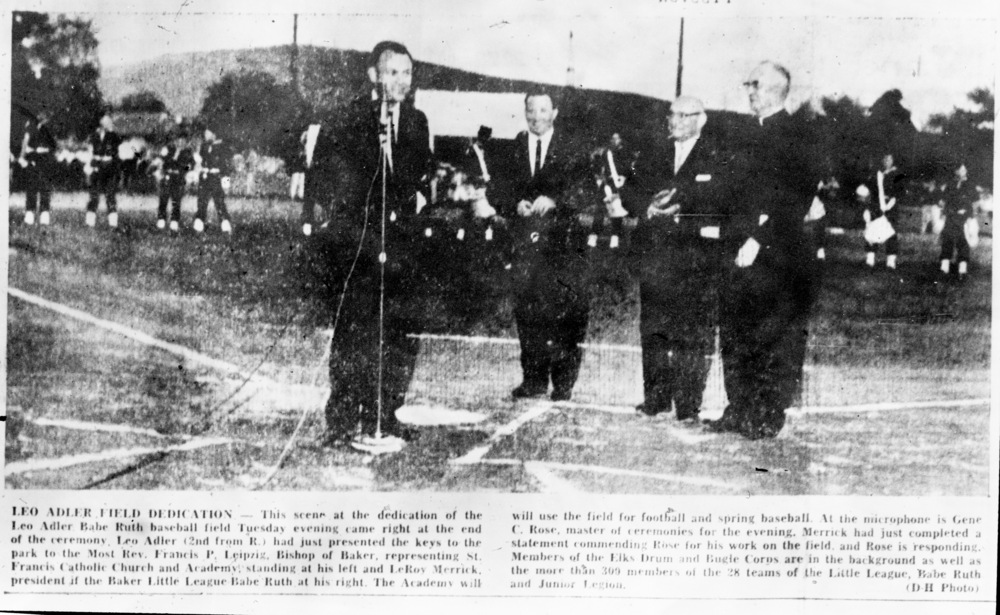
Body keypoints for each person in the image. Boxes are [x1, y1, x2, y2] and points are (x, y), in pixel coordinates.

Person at [322, 40, 434, 445]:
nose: (400, 81)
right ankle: (342, 417)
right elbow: (334, 177)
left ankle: (385, 412)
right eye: (392, 73)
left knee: (398, 330)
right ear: (374, 76)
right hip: (360, 244)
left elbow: (421, 177)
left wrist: (414, 191)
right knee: (355, 330)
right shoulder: (351, 119)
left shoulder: (418, 121)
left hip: (401, 243)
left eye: (406, 73)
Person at [706, 61, 819, 440]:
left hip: (778, 256)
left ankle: (768, 414)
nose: (749, 90)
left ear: (775, 89)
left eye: (755, 84)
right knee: (737, 331)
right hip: (736, 251)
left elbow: (795, 200)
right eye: (748, 83)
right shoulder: (741, 134)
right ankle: (739, 407)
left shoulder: (799, 136)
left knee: (774, 335)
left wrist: (758, 239)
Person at [624, 96, 732, 423]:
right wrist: (648, 207)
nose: (675, 121)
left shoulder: (717, 156)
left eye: (684, 116)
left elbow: (723, 201)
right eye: (672, 115)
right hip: (655, 255)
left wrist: (681, 211)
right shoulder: (652, 152)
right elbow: (629, 191)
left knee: (693, 331)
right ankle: (655, 398)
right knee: (654, 327)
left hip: (695, 257)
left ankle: (687, 403)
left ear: (702, 119)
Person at [493, 89, 590, 402]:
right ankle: (533, 379)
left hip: (562, 245)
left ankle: (562, 384)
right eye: (531, 110)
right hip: (525, 246)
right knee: (529, 312)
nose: (536, 117)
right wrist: (514, 204)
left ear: (555, 113)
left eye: (543, 110)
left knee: (564, 314)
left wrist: (556, 201)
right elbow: (497, 190)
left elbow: (584, 191)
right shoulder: (513, 148)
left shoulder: (573, 149)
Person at [862, 153, 905, 269]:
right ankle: (870, 259)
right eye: (885, 159)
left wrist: (889, 204)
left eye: (889, 159)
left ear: (893, 160)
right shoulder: (878, 174)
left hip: (891, 206)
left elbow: (900, 192)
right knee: (873, 228)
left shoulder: (898, 174)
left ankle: (891, 261)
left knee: (891, 233)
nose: (887, 161)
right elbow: (870, 191)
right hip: (876, 206)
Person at [589, 132, 630, 249]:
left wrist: (623, 178)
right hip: (607, 182)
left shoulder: (624, 153)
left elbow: (628, 169)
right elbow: (599, 168)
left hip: (618, 184)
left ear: (621, 140)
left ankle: (615, 237)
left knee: (617, 209)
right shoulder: (606, 152)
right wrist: (601, 180)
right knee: (600, 208)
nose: (615, 141)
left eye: (617, 139)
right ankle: (594, 235)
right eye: (613, 139)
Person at [938, 162, 978, 278]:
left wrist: (971, 217)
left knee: (963, 242)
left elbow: (974, 203)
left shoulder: (970, 185)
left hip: (964, 217)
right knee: (947, 240)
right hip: (951, 216)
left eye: (963, 170)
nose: (961, 172)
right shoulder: (950, 184)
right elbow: (944, 201)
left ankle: (962, 269)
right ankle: (944, 267)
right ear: (955, 171)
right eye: (959, 170)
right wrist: (944, 213)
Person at [18, 109, 57, 226]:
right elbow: (25, 142)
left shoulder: (49, 128)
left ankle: (44, 214)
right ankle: (29, 214)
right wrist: (22, 156)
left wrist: (46, 150)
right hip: (33, 159)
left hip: (45, 160)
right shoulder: (31, 126)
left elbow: (54, 146)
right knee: (31, 187)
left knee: (45, 187)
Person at [86, 113, 123, 228]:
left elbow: (116, 154)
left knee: (110, 196)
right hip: (96, 167)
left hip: (109, 167)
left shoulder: (114, 136)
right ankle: (90, 222)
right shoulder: (93, 136)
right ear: (100, 121)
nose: (107, 123)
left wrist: (117, 171)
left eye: (109, 121)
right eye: (105, 120)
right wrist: (89, 168)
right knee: (94, 196)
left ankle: (113, 224)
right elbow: (90, 153)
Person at [300, 121, 337, 236]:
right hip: (314, 129)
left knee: (326, 182)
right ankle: (307, 219)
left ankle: (327, 217)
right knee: (311, 178)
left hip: (327, 131)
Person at [194, 126, 233, 234]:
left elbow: (225, 167)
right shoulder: (204, 146)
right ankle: (199, 225)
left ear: (214, 134)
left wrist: (226, 184)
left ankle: (225, 225)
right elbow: (201, 161)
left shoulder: (222, 147)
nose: (206, 136)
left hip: (216, 178)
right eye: (205, 134)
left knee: (219, 203)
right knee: (201, 202)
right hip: (205, 177)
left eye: (208, 134)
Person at [157, 129, 195, 233]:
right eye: (178, 140)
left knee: (176, 201)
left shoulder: (188, 152)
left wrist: (183, 171)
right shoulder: (168, 149)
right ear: (175, 140)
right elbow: (162, 161)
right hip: (168, 176)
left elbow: (191, 165)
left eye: (183, 141)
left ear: (186, 142)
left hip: (178, 178)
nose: (180, 142)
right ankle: (161, 220)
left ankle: (174, 222)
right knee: (163, 199)